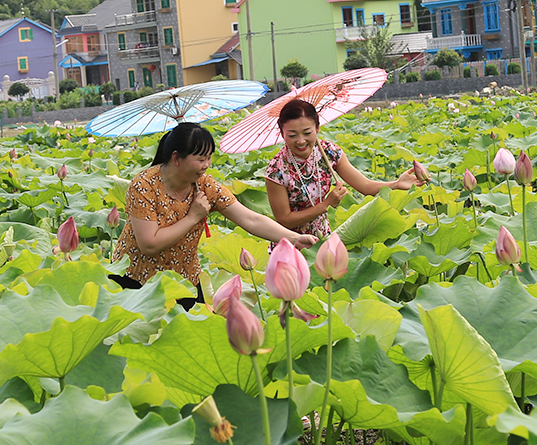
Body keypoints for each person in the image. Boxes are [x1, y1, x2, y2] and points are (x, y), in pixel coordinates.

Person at [112, 121, 314, 304]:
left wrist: (293, 238)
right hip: (137, 281)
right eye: (201, 159)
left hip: (184, 279)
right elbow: (149, 244)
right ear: (176, 158)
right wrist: (193, 217)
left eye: (209, 158)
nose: (206, 165)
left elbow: (250, 219)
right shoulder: (144, 186)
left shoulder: (205, 186)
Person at [263, 98, 424, 239]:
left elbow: (366, 186)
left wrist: (396, 184)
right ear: (282, 133)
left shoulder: (329, 152)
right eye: (292, 135)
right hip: (290, 244)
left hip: (323, 239)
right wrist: (326, 204)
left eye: (307, 133)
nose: (301, 141)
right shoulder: (276, 170)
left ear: (317, 128)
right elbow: (284, 219)